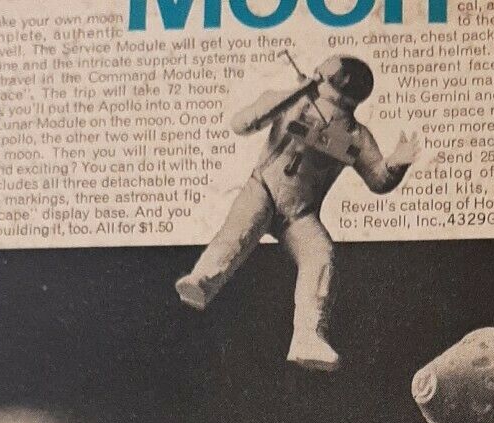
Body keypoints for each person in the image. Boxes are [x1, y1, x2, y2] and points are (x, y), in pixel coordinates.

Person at [175, 55, 421, 373]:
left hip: (299, 213)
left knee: (320, 254)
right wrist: (295, 94)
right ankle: (202, 281)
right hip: (263, 188)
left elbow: (377, 179)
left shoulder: (356, 135)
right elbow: (243, 123)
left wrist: (395, 164)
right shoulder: (292, 103)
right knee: (238, 231)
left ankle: (308, 336)